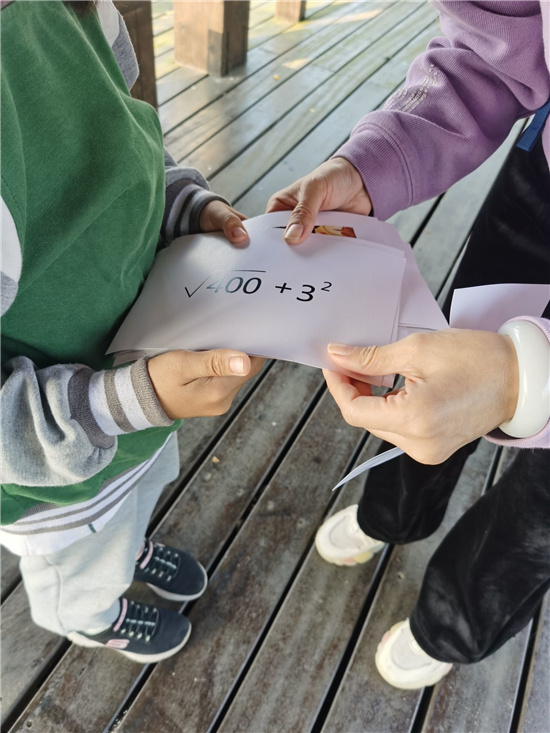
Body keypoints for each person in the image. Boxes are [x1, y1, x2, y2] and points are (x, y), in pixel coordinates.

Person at [267, 0, 550, 689]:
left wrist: (527, 379)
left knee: (541, 512)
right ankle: (389, 515)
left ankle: (448, 624)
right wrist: (375, 165)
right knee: (436, 367)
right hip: (541, 188)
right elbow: (494, 42)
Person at [0, 0, 262, 663]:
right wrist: (122, 402)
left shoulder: (77, 10)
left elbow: (125, 141)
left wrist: (182, 204)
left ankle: (129, 543)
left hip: (141, 401)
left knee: (138, 494)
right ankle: (91, 615)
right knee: (81, 559)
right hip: (54, 474)